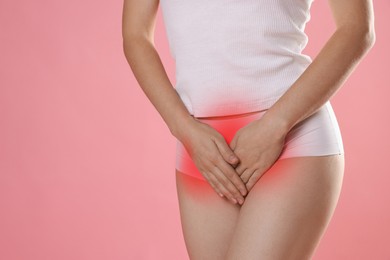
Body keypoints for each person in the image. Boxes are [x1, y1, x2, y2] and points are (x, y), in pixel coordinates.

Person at [122, 0, 375, 259]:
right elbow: (135, 35)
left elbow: (357, 29)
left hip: (290, 133)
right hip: (202, 147)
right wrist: (184, 128)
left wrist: (276, 125)